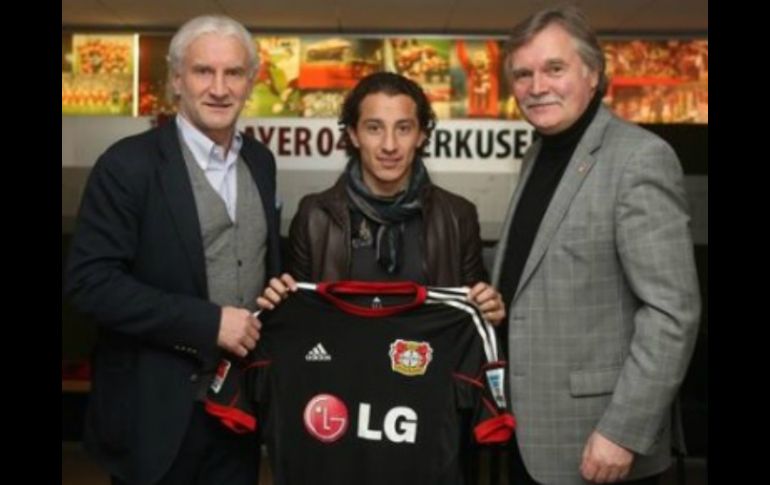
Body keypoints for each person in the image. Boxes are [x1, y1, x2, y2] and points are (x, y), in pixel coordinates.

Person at [65, 15, 281, 485]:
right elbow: (90, 284)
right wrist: (209, 322)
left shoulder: (260, 162)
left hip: (238, 410)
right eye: (203, 71)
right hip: (155, 416)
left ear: (251, 81)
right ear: (177, 80)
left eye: (233, 73)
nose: (219, 88)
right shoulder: (128, 164)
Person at [492, 5, 701, 484]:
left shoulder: (638, 158)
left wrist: (622, 431)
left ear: (593, 73)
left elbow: (672, 313)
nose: (536, 86)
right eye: (522, 74)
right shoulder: (539, 153)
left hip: (602, 444)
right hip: (533, 435)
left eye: (554, 68)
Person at [260, 71, 504, 325]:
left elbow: (473, 318)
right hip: (342, 351)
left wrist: (489, 310)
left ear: (421, 135)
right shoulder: (315, 215)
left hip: (429, 350)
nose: (389, 145)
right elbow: (298, 319)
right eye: (374, 128)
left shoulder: (457, 216)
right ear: (353, 134)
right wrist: (279, 303)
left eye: (403, 128)